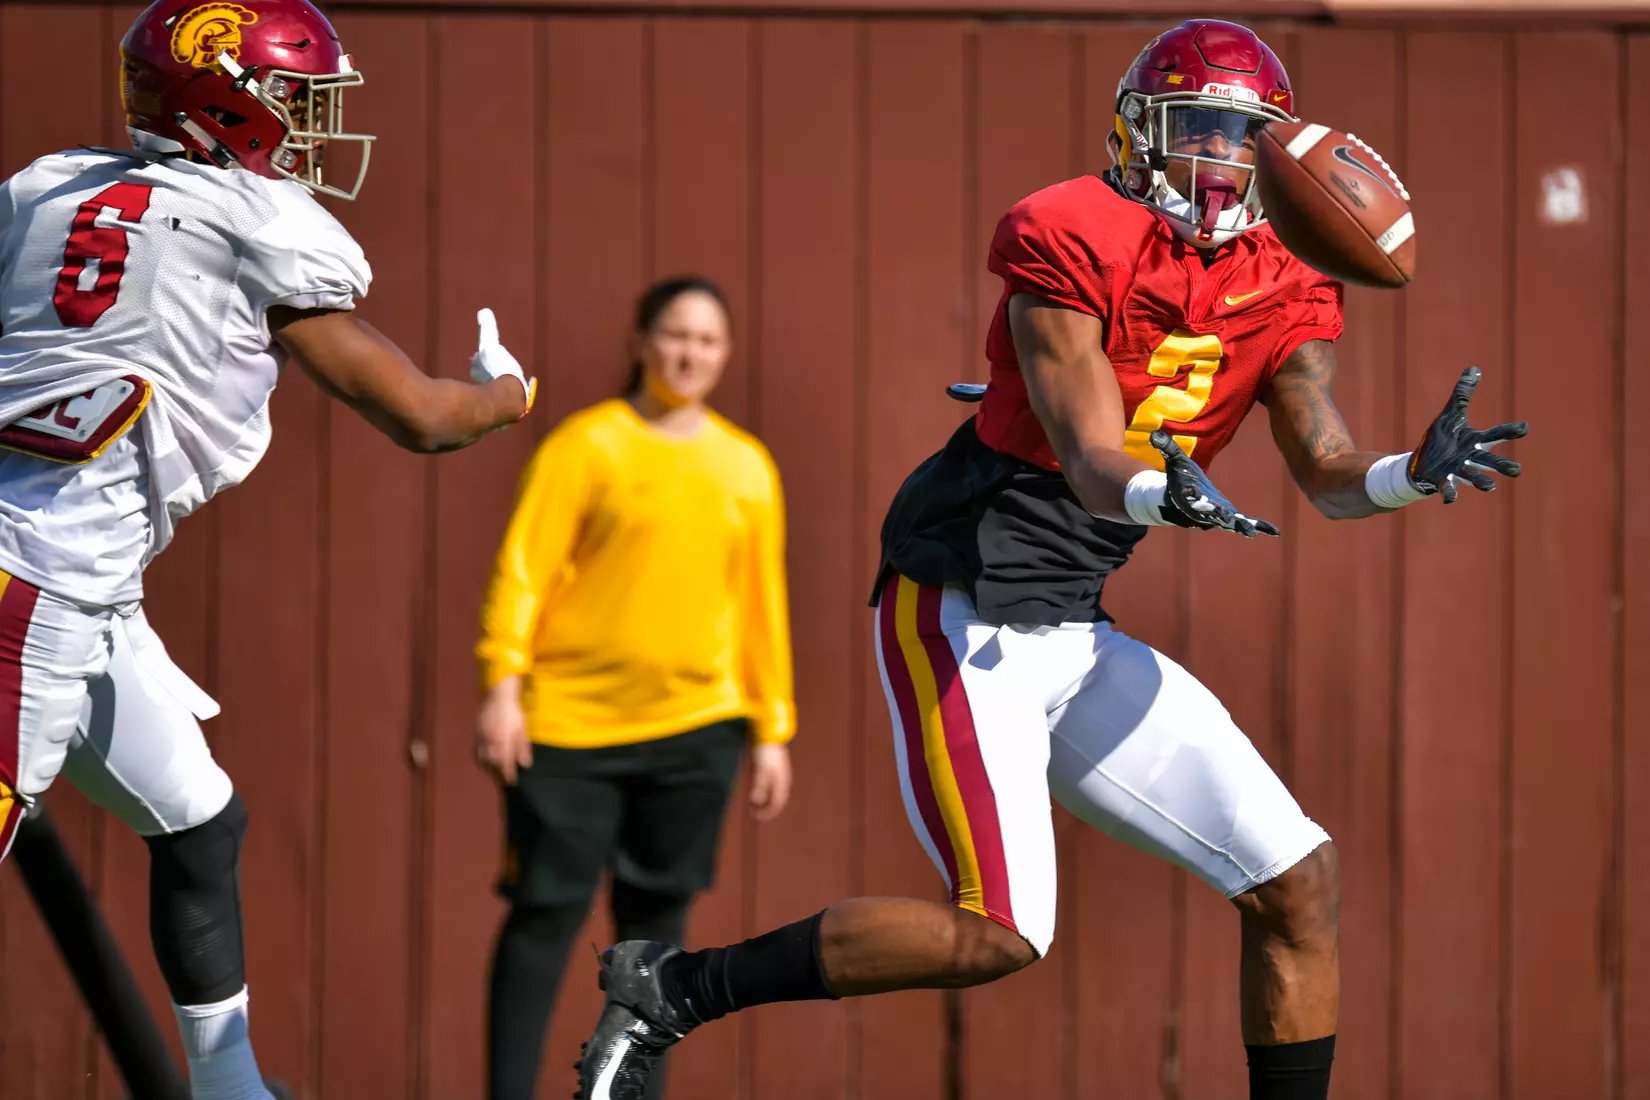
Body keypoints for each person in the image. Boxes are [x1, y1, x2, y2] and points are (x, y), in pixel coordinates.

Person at [574, 19, 1528, 1100]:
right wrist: (1152, 490)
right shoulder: (1069, 229)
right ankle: (676, 985)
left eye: (1238, 134)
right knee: (998, 930)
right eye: (1196, 128)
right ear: (1140, 135)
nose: (1217, 156)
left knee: (1297, 880)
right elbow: (1085, 444)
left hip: (1069, 624)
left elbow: (1325, 460)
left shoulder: (1284, 275)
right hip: (961, 602)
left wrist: (1408, 469)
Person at [0, 3, 534, 1098]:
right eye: (298, 98)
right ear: (227, 99)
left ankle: (230, 1088)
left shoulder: (49, 187)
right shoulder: (256, 225)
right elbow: (425, 416)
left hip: (81, 585)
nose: (309, 124)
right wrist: (506, 396)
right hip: (30, 588)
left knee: (199, 817)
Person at [474, 275, 796, 1100]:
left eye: (708, 340)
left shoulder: (746, 466)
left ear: (725, 354)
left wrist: (771, 729)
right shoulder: (584, 446)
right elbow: (524, 571)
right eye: (675, 334)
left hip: (698, 729)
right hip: (568, 729)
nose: (690, 353)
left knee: (656, 943)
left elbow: (761, 605)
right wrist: (502, 682)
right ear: (640, 340)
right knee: (546, 918)